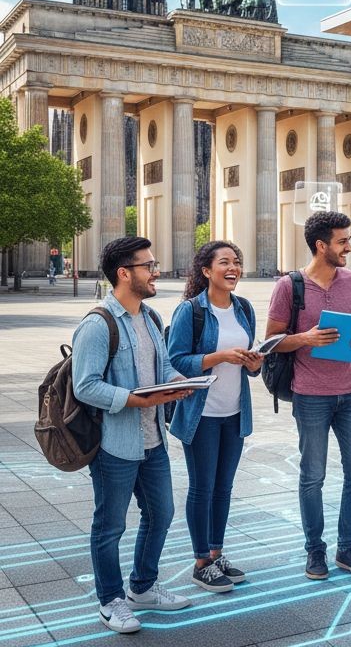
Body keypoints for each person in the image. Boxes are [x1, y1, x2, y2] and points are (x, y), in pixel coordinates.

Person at [71, 236, 193, 633]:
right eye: (149, 266)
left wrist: (179, 381)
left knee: (162, 514)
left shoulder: (152, 318)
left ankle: (143, 586)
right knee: (110, 525)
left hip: (153, 439)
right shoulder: (97, 324)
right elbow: (85, 386)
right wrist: (134, 400)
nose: (156, 271)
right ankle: (110, 600)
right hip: (114, 445)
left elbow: (160, 370)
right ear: (125, 273)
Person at [264, 211, 351, 581]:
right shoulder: (289, 286)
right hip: (310, 394)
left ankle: (348, 547)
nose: (349, 246)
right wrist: (306, 339)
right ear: (321, 245)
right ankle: (315, 549)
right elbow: (272, 342)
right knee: (312, 475)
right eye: (342, 241)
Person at [168, 241, 263, 593]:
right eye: (224, 262)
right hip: (201, 414)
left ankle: (217, 554)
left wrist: (253, 364)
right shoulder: (190, 311)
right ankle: (200, 562)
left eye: (236, 261)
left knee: (223, 489)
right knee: (202, 488)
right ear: (207, 271)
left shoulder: (244, 308)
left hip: (234, 413)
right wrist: (218, 356)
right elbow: (175, 359)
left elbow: (248, 367)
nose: (233, 267)